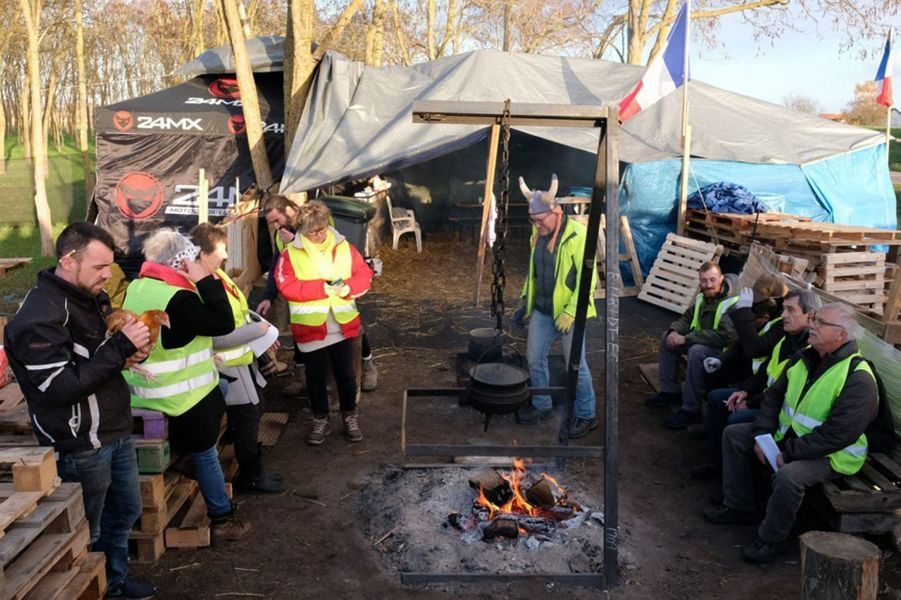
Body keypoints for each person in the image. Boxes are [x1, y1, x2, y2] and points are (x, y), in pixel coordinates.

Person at [4, 222, 157, 599]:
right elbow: (60, 388)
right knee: (87, 529)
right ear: (68, 260)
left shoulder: (93, 297)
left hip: (114, 427)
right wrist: (121, 348)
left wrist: (134, 352)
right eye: (100, 267)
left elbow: (99, 359)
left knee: (125, 512)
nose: (109, 275)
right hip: (80, 441)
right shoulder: (39, 318)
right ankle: (88, 587)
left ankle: (114, 583)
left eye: (110, 266)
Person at [704, 303, 879, 563]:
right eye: (814, 320)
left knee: (789, 476)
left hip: (833, 455)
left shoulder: (858, 378)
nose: (812, 325)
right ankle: (738, 504)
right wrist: (763, 434)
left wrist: (788, 453)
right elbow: (773, 397)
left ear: (841, 335)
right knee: (735, 434)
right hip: (792, 439)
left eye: (821, 323)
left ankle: (772, 538)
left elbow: (837, 435)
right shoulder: (805, 357)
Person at [122, 229, 251, 542]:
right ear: (180, 262)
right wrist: (206, 281)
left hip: (143, 389)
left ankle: (183, 458)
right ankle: (222, 517)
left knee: (220, 388)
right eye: (192, 258)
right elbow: (222, 322)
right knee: (206, 451)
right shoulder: (178, 297)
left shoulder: (139, 286)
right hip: (181, 396)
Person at [190, 223, 285, 494]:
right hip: (227, 365)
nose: (225, 256)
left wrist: (262, 332)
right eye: (220, 250)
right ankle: (252, 476)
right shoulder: (199, 288)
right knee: (248, 418)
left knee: (254, 409)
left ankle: (253, 471)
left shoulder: (217, 276)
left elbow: (239, 314)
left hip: (241, 361)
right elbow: (214, 336)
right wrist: (258, 331)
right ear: (202, 253)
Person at [691, 288, 819, 480]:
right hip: (767, 401)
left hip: (779, 412)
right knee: (717, 397)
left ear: (810, 316)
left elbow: (782, 392)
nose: (783, 315)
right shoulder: (787, 337)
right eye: (783, 309)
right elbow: (764, 372)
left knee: (734, 421)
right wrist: (745, 391)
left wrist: (750, 402)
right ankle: (717, 462)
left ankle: (733, 477)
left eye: (790, 310)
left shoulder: (809, 351)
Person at [275, 201, 374, 445]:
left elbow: (364, 274)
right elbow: (286, 286)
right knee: (315, 378)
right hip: (310, 328)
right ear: (302, 230)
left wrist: (348, 288)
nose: (319, 235)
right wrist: (322, 288)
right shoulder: (290, 254)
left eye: (322, 229)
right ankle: (320, 419)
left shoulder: (344, 246)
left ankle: (350, 416)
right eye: (312, 231)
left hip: (341, 325)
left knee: (347, 376)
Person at [261, 196, 379, 392]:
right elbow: (278, 266)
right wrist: (268, 295)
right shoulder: (280, 235)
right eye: (271, 222)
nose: (275, 225)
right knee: (303, 332)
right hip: (308, 299)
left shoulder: (317, 221)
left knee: (352, 328)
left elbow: (334, 242)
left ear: (290, 211)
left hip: (335, 291)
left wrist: (299, 243)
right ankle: (301, 377)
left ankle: (367, 364)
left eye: (277, 219)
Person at [512, 174, 599, 439]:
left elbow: (589, 277)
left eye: (540, 220)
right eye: (533, 220)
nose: (536, 225)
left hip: (570, 312)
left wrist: (572, 310)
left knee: (576, 363)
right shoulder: (538, 235)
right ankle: (542, 406)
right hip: (542, 309)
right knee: (534, 359)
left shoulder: (578, 234)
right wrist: (524, 302)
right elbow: (534, 272)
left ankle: (586, 414)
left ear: (556, 211)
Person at [645, 262, 738, 429]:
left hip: (724, 351)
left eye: (712, 280)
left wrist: (687, 339)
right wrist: (675, 331)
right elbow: (687, 318)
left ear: (722, 278)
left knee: (696, 352)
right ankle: (670, 391)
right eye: (704, 281)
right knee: (666, 337)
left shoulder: (731, 302)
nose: (708, 285)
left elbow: (725, 337)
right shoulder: (703, 297)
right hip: (701, 340)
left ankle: (691, 409)